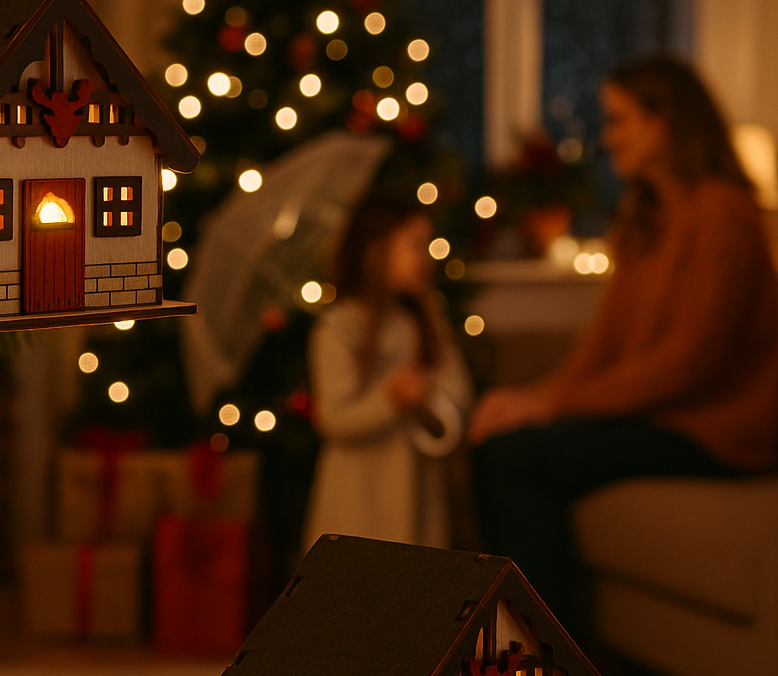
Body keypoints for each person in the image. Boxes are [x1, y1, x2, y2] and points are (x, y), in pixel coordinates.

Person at [470, 54, 778, 629]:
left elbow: (689, 363)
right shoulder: (642, 219)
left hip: (717, 430)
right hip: (663, 417)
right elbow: (603, 348)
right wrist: (534, 399)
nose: (607, 138)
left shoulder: (725, 215)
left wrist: (552, 406)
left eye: (619, 120)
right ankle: (517, 648)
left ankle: (547, 673)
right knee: (500, 434)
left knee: (516, 458)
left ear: (664, 123)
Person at [303, 194, 472, 549]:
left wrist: (428, 394)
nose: (426, 257)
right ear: (376, 250)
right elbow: (334, 418)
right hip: (357, 506)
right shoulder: (337, 330)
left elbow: (459, 393)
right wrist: (389, 399)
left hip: (418, 498)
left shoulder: (425, 320)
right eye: (415, 245)